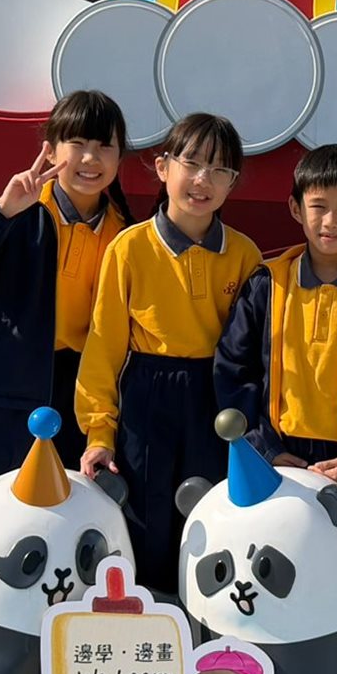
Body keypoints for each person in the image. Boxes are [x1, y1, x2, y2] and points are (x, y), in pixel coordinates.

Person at [76, 113, 261, 593]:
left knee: (210, 520)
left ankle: (206, 632)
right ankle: (147, 626)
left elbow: (254, 354)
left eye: (219, 170)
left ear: (232, 183)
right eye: (192, 164)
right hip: (146, 393)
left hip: (215, 398)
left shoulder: (245, 255)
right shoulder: (130, 247)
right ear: (163, 167)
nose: (203, 180)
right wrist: (99, 432)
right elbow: (103, 347)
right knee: (144, 520)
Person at [0, 90, 132, 474]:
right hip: (8, 394)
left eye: (105, 146)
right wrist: (2, 213)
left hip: (83, 404)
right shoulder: (19, 209)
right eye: (77, 143)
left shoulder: (126, 233)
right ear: (49, 151)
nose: (90, 158)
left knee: (74, 507)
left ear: (120, 158)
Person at [213, 144, 337, 531]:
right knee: (271, 554)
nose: (330, 221)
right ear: (296, 208)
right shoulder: (267, 284)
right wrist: (264, 447)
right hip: (275, 458)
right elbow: (233, 371)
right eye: (318, 206)